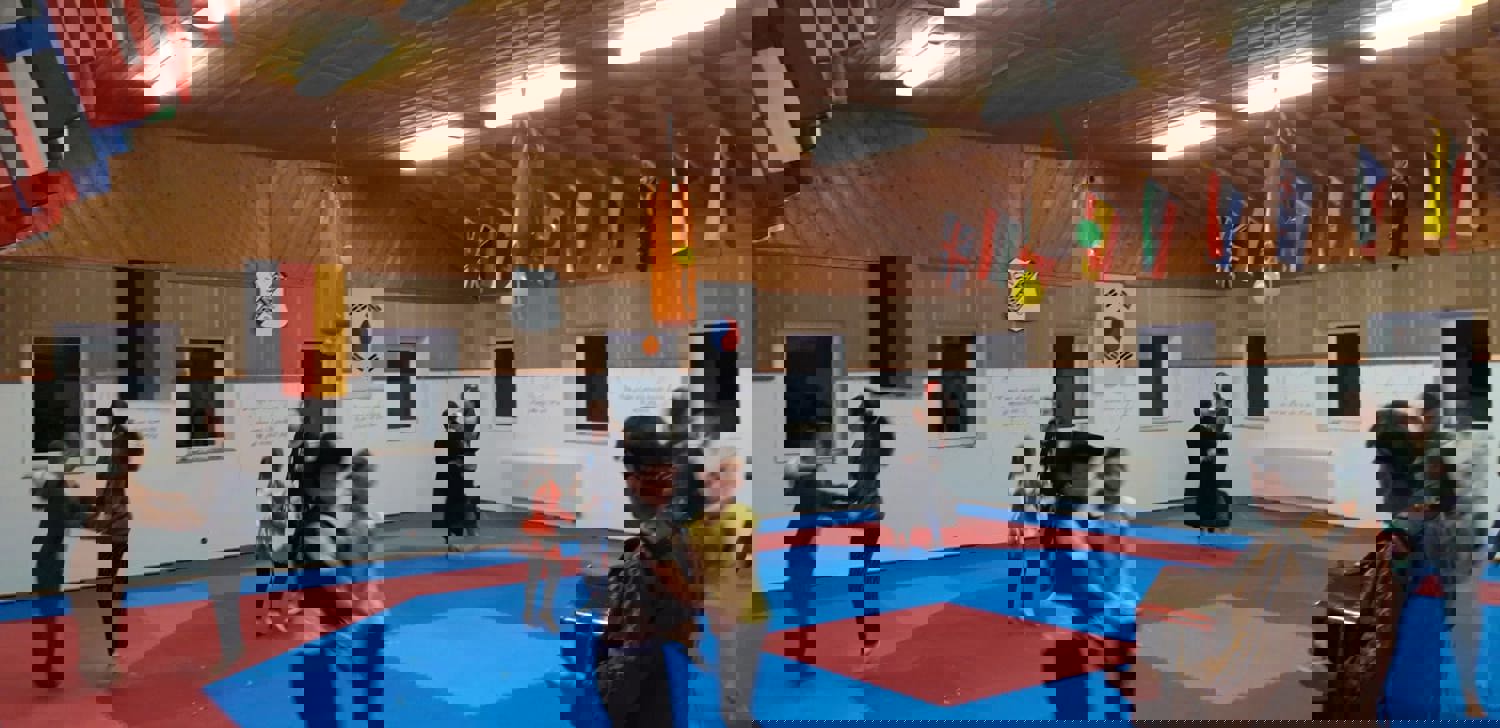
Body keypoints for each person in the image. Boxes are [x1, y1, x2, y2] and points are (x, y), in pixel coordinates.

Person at [1380, 384, 1489, 718]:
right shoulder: (1433, 450)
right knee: (1438, 623)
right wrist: (1399, 528)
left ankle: (1459, 695)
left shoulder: (1447, 450)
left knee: (1446, 622)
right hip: (1439, 548)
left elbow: (1434, 502)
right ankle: (1454, 695)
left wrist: (1402, 527)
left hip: (1446, 549)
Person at [597, 416, 701, 728]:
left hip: (649, 695)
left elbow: (635, 650)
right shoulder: (682, 539)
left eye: (631, 471)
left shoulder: (651, 553)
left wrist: (602, 692)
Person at [685, 443, 768, 728]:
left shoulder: (706, 524)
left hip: (740, 612)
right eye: (730, 472)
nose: (734, 479)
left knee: (735, 690)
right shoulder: (730, 520)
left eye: (735, 472)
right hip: (738, 614)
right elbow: (733, 570)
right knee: (735, 693)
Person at [435, 398, 481, 554]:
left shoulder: (460, 433)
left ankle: (469, 537)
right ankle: (456, 540)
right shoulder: (450, 435)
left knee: (465, 505)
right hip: (455, 476)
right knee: (458, 507)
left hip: (460, 475)